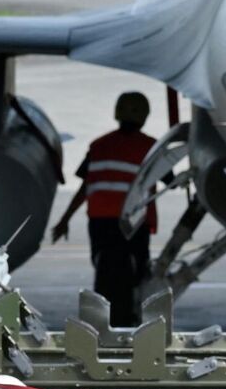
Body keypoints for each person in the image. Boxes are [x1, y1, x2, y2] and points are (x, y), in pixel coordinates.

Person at [52, 91, 158, 326]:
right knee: (137, 274)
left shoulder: (98, 146)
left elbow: (85, 186)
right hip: (133, 221)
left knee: (104, 270)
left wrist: (65, 219)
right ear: (144, 116)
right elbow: (167, 178)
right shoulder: (151, 147)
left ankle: (101, 321)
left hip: (100, 222)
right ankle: (132, 322)